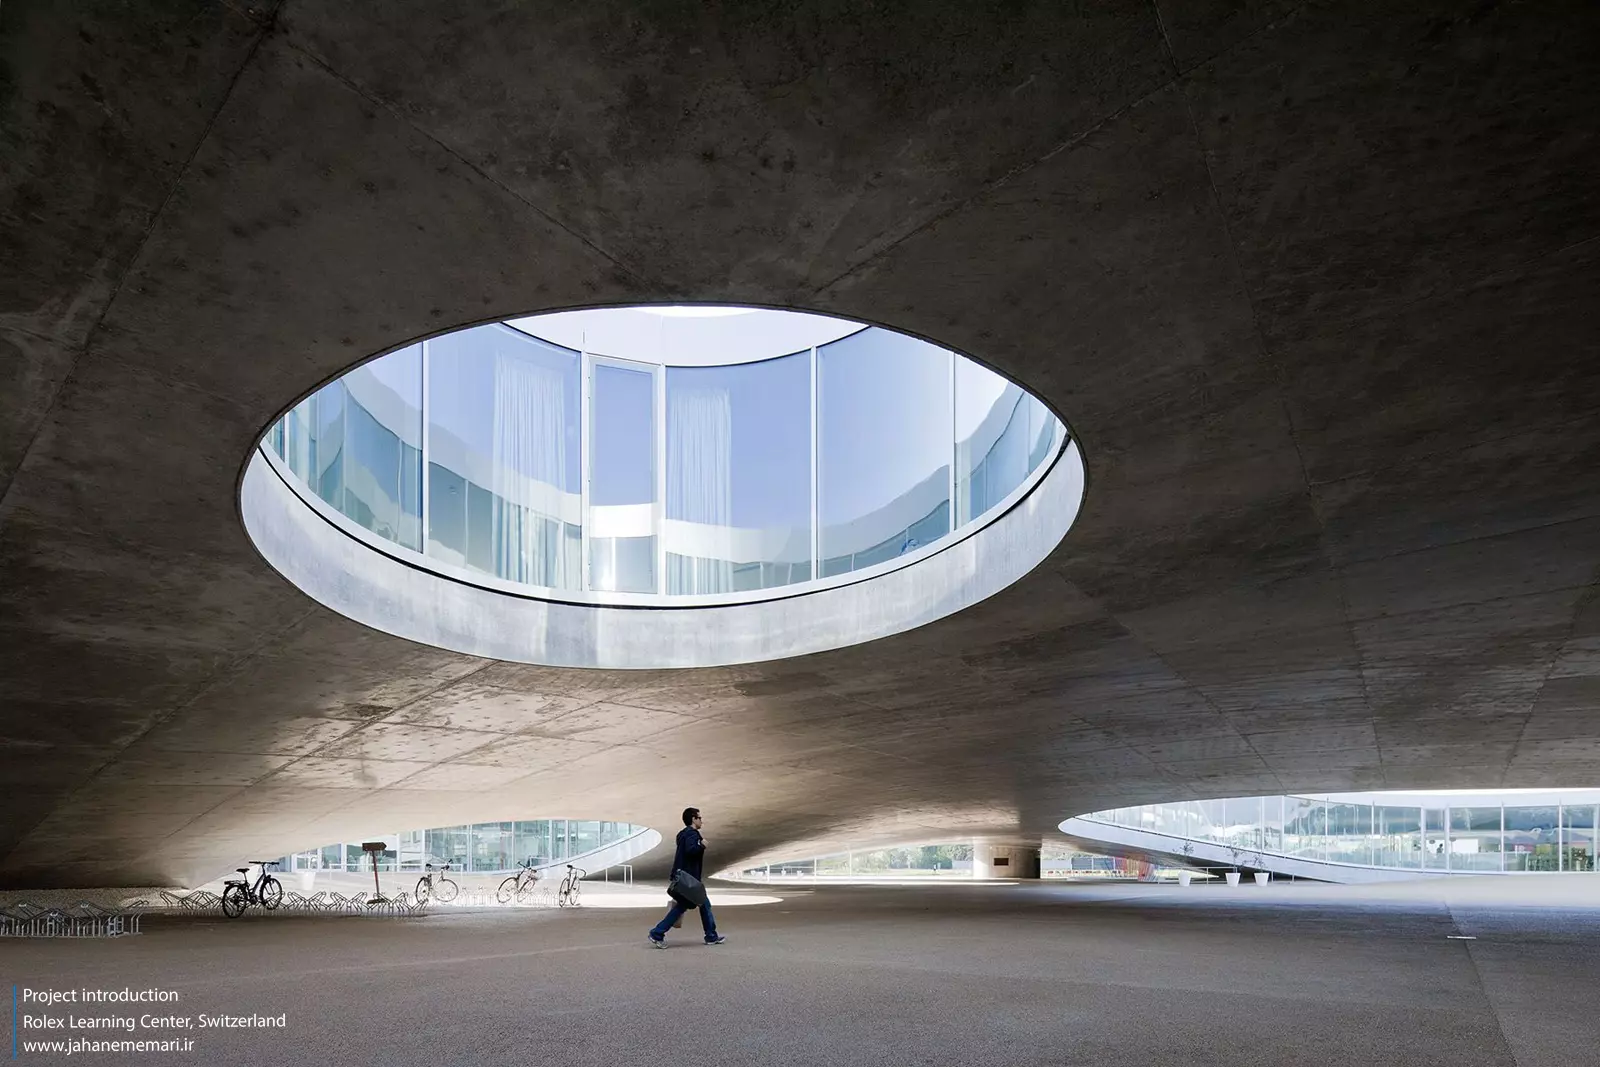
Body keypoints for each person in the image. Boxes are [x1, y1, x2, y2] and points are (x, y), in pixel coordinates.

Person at [649, 807, 726, 947]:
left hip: (683, 877)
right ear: (693, 819)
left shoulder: (682, 834)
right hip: (689, 879)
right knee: (697, 905)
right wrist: (701, 845)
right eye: (699, 818)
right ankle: (657, 933)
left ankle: (710, 935)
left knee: (695, 905)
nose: (701, 821)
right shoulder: (693, 834)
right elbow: (690, 851)